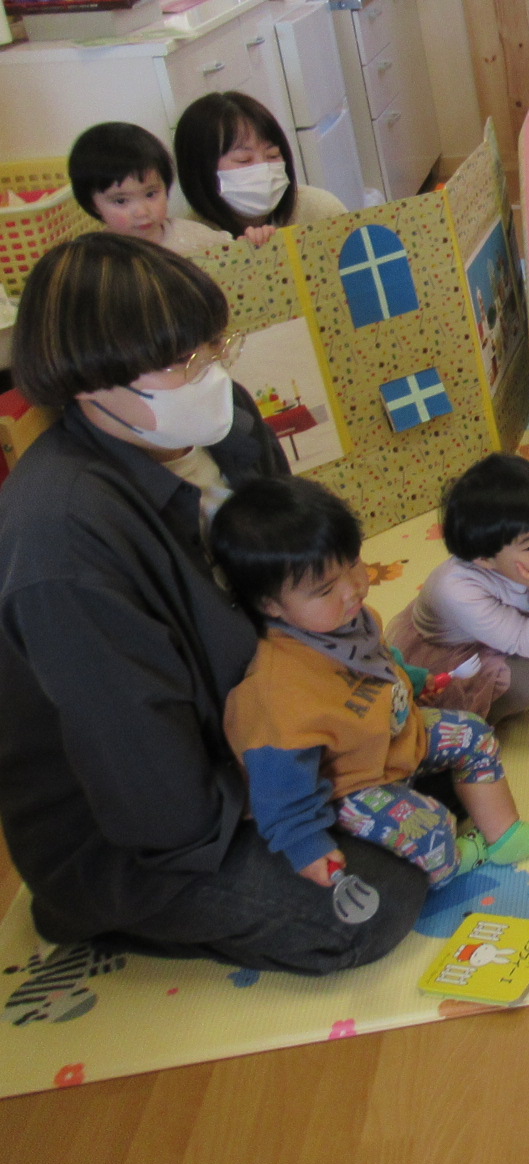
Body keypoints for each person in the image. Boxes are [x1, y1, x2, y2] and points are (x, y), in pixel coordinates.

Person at [0, 235, 427, 970]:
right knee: (378, 900)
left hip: (269, 721)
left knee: (430, 771)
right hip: (154, 824)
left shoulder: (224, 419)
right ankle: (89, 913)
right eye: (180, 362)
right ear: (86, 382)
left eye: (212, 346)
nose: (209, 372)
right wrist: (292, 794)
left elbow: (292, 574)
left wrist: (346, 719)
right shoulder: (63, 540)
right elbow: (149, 783)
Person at [214, 475, 529, 889]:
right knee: (430, 825)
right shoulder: (276, 691)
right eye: (325, 589)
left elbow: (383, 661)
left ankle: (505, 835)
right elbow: (278, 789)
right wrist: (306, 846)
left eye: (353, 563)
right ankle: (454, 864)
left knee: (474, 733)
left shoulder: (348, 619)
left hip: (396, 737)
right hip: (351, 783)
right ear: (271, 605)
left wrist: (416, 681)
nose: (353, 590)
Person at [387, 452, 529, 721]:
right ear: (484, 558)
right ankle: (479, 718)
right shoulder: (457, 590)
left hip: (510, 631)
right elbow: (525, 643)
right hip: (456, 653)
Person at [174, 90, 348, 247]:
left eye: (272, 155)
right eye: (244, 160)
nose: (264, 169)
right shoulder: (189, 242)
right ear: (201, 170)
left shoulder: (320, 210)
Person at [68, 121, 234, 256]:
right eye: (120, 201)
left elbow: (233, 256)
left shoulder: (195, 237)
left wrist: (247, 243)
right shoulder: (96, 261)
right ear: (93, 205)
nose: (142, 212)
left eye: (150, 194)